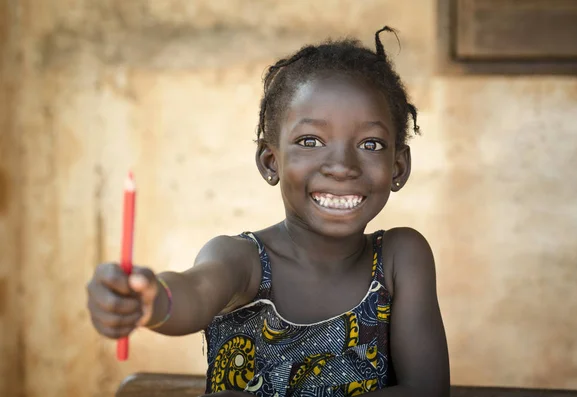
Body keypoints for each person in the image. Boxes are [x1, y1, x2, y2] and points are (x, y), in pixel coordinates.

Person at [87, 26, 450, 397]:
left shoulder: (401, 259)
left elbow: (427, 390)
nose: (342, 166)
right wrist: (151, 301)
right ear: (270, 161)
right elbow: (195, 291)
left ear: (398, 167)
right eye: (310, 141)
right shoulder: (241, 259)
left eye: (370, 144)